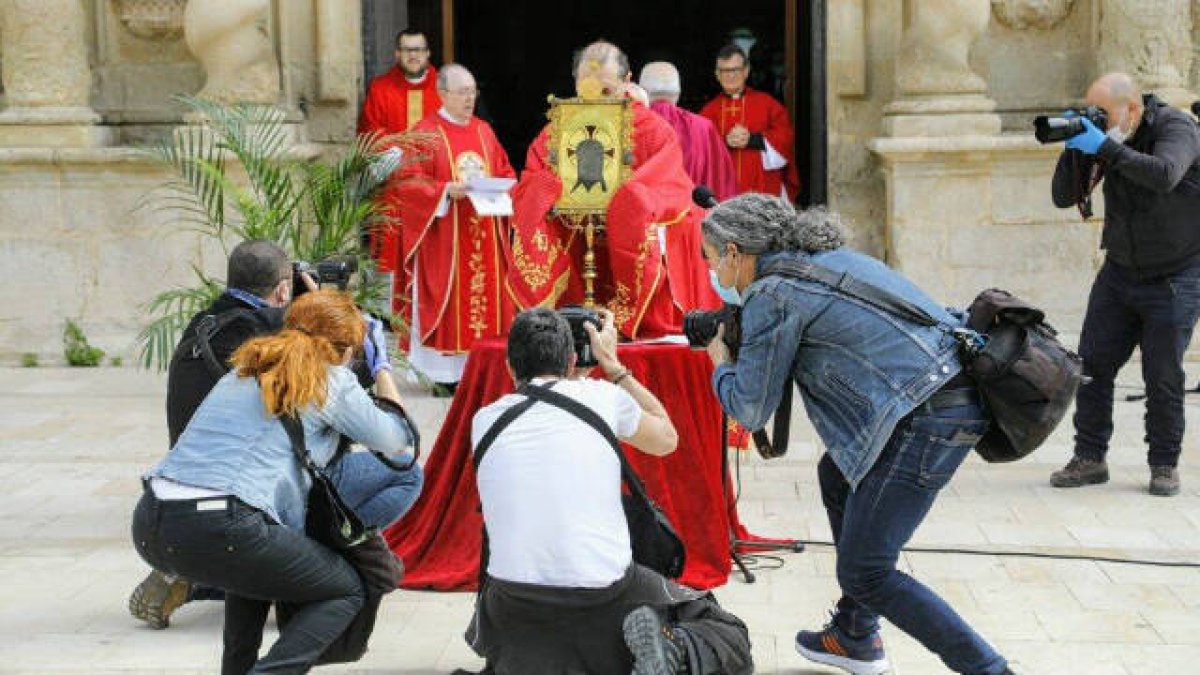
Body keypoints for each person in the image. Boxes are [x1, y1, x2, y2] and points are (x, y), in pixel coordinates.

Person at [701, 194, 1013, 675]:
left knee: (868, 571)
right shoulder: (827, 259)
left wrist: (720, 362)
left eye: (710, 258)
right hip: (944, 397)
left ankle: (988, 669)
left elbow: (750, 407)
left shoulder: (773, 293)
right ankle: (855, 634)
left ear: (735, 253)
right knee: (837, 474)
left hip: (926, 419)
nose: (712, 273)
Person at [128, 241, 423, 634]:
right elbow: (393, 440)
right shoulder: (281, 337)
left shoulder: (208, 325)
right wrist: (371, 354)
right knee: (397, 485)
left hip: (171, 492)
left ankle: (203, 574)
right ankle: (308, 561)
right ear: (284, 291)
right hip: (242, 498)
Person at [463, 307, 753, 675]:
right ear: (572, 359)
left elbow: (547, 411)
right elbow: (666, 438)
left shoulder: (484, 420)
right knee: (729, 635)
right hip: (602, 597)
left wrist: (573, 381)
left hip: (512, 605)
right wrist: (614, 367)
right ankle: (675, 648)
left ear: (509, 366)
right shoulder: (603, 397)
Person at [1049, 72, 1200, 497]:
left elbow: (1166, 174)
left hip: (1176, 273)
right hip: (1120, 270)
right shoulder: (1110, 139)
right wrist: (1074, 150)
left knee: (1163, 375)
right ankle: (1090, 457)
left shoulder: (1176, 128)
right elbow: (1063, 197)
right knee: (1092, 367)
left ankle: (1164, 465)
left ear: (1132, 110)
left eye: (1105, 114)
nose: (1100, 121)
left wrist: (1105, 147)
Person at [507, 40, 720, 339]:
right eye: (587, 89)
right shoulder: (556, 132)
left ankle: (626, 317)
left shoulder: (652, 130)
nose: (595, 100)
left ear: (627, 81)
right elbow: (529, 183)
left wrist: (628, 204)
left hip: (631, 239)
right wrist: (545, 190)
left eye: (604, 90)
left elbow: (671, 188)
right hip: (578, 241)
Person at [392, 63, 516, 386]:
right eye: (462, 92)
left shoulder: (483, 131)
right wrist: (446, 190)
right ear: (443, 93)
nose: (469, 98)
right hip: (445, 241)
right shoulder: (425, 134)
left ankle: (485, 371)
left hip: (485, 237)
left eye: (473, 92)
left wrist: (504, 185)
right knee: (450, 308)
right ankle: (443, 376)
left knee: (487, 304)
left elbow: (504, 170)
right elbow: (407, 184)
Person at [359, 28, 442, 320]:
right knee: (389, 242)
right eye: (407, 49)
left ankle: (433, 308)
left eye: (418, 49)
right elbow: (371, 134)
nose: (413, 55)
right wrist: (404, 153)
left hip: (435, 184)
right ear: (397, 54)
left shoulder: (443, 87)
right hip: (394, 185)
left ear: (428, 53)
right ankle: (389, 314)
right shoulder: (381, 88)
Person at [699, 44, 799, 201]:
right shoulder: (708, 111)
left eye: (735, 70)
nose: (729, 76)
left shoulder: (768, 104)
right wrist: (724, 142)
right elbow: (698, 150)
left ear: (746, 71)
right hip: (722, 192)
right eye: (724, 71)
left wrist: (753, 139)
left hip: (762, 190)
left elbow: (785, 138)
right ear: (716, 74)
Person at [639, 61, 737, 201]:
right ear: (678, 93)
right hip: (691, 219)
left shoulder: (626, 125)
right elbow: (722, 186)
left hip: (640, 218)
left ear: (642, 92)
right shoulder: (704, 129)